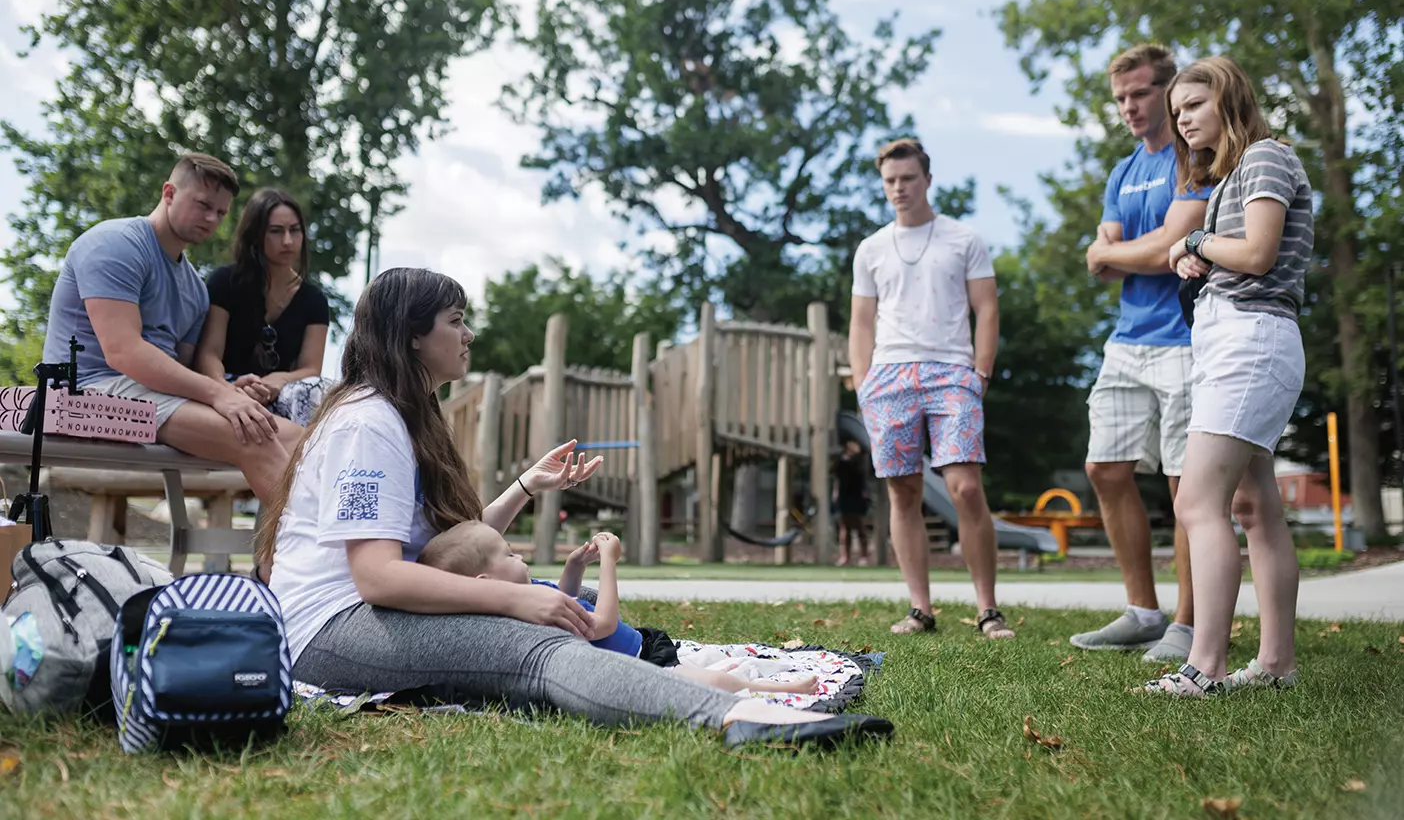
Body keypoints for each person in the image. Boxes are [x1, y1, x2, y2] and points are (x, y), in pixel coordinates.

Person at [266, 267, 891, 747]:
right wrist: (516, 599)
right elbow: (378, 575)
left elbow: (450, 551)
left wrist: (526, 489)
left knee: (553, 623)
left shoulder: (402, 416)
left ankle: (708, 696)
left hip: (368, 612)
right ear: (412, 337)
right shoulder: (369, 423)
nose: (469, 334)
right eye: (455, 320)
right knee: (533, 648)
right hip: (329, 629)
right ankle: (736, 718)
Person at [1143, 56, 1312, 696]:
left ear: (1228, 99)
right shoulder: (1232, 176)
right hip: (1235, 336)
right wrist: (1201, 262)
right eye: (1177, 110)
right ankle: (1275, 664)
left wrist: (1193, 246)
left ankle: (1204, 666)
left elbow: (1259, 253)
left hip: (1252, 338)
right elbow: (1238, 255)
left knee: (1197, 502)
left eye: (1193, 105)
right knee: (1252, 505)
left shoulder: (1267, 156)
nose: (1181, 120)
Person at [42, 153, 304, 531]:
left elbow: (179, 372)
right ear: (169, 192)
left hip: (147, 395)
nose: (212, 219)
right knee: (252, 435)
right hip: (85, 393)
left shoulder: (195, 289)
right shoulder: (114, 244)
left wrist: (228, 387)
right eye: (203, 205)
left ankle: (277, 563)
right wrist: (218, 395)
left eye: (220, 212)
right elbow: (124, 353)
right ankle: (309, 565)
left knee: (298, 438)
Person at [1071, 44, 1211, 662]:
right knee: (1105, 467)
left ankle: (1186, 622)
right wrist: (1134, 249)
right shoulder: (1123, 172)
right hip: (1127, 340)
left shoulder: (1194, 160)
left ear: (1167, 89)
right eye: (1121, 97)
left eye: (1140, 93)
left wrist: (1125, 250)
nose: (1129, 106)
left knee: (1188, 487)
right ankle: (1143, 612)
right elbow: (1106, 259)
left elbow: (1162, 250)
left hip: (1184, 338)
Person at [849, 138, 1014, 640]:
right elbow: (860, 322)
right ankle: (920, 608)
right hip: (890, 377)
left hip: (952, 373)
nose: (899, 188)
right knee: (904, 492)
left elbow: (986, 308)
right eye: (890, 181)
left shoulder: (963, 239)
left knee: (965, 488)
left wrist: (979, 372)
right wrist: (864, 384)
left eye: (908, 179)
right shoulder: (872, 248)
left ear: (927, 180)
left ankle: (987, 608)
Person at [419, 523, 821, 696]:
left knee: (702, 673)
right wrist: (610, 562)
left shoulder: (525, 592)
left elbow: (567, 597)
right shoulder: (521, 616)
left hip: (642, 647)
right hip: (642, 665)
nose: (519, 554)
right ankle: (766, 690)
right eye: (508, 554)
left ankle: (729, 675)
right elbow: (600, 622)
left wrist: (574, 566)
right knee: (709, 687)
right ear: (486, 584)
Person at [196, 188, 333, 427]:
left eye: (295, 230)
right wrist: (225, 390)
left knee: (318, 391)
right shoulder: (225, 282)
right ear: (256, 235)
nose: (288, 241)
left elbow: (311, 369)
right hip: (225, 386)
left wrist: (281, 379)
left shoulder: (314, 300)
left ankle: (303, 460)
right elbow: (209, 353)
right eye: (276, 232)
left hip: (280, 392)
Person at [833, 439, 871, 566]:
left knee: (860, 526)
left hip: (857, 495)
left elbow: (863, 477)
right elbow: (836, 476)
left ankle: (864, 556)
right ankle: (845, 556)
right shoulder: (840, 462)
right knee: (845, 528)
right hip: (844, 496)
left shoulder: (861, 460)